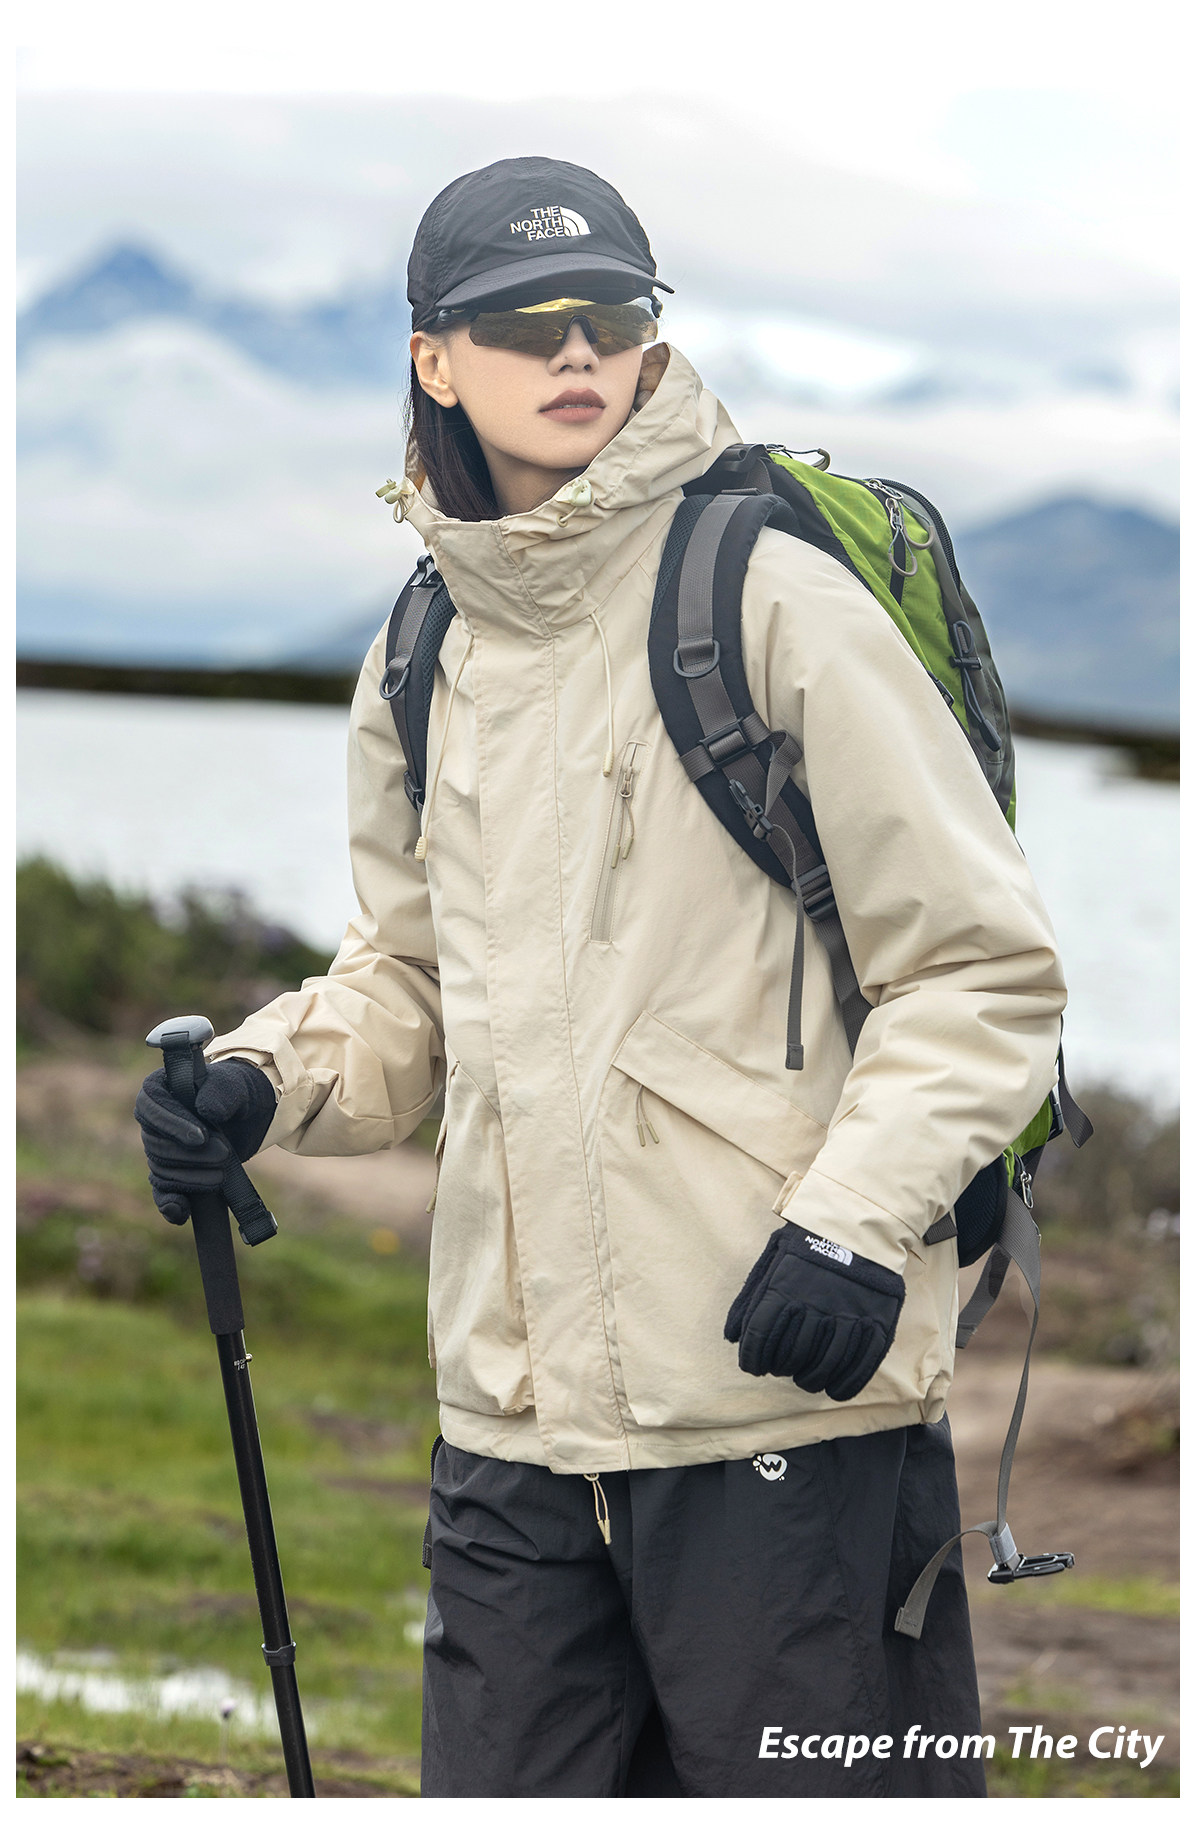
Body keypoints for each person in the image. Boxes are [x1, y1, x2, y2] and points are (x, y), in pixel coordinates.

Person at [135, 155, 1067, 1798]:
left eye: (613, 313)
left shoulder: (768, 595)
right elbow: (412, 973)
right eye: (523, 321)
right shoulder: (426, 643)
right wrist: (264, 1078)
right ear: (435, 359)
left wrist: (853, 1227)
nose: (577, 349)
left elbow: (981, 968)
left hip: (782, 1394)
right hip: (510, 1420)